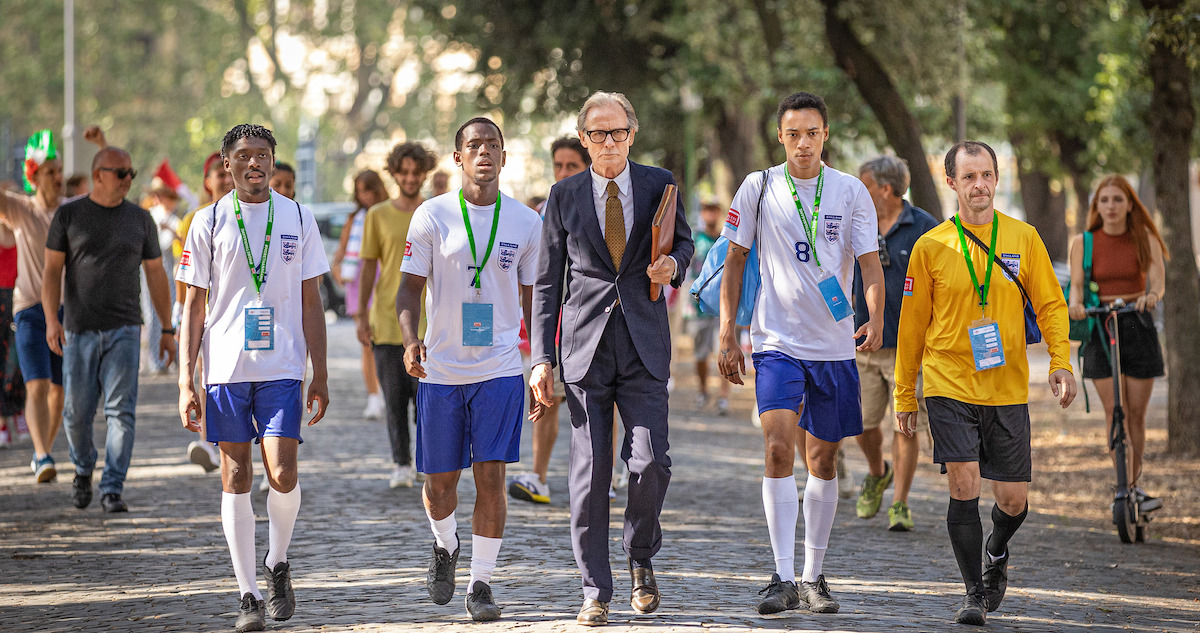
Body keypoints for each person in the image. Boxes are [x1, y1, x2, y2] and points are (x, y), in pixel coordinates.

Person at [895, 140, 1076, 625]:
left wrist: (1062, 361)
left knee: (1013, 500)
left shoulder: (1024, 238)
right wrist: (904, 392)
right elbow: (911, 327)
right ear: (951, 182)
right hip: (947, 381)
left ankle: (996, 551)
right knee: (964, 484)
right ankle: (973, 592)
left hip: (1007, 386)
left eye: (988, 175)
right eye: (969, 176)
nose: (980, 185)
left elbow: (1051, 305)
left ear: (997, 179)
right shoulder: (930, 246)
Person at [717, 92, 883, 616]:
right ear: (781, 137)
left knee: (823, 459)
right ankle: (782, 576)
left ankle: (814, 574)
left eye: (812, 133)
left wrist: (875, 315)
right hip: (776, 343)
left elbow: (871, 266)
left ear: (825, 135)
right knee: (776, 449)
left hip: (833, 347)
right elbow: (735, 262)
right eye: (793, 134)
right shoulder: (758, 186)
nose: (803, 143)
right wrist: (729, 332)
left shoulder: (851, 191)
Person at [531, 91, 693, 626]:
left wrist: (672, 263)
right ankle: (594, 589)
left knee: (649, 463)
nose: (608, 141)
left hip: (645, 343)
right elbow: (548, 283)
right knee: (592, 471)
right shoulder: (564, 195)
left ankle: (640, 558)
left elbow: (684, 245)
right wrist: (541, 359)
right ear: (583, 138)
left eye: (617, 132)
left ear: (632, 134)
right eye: (597, 133)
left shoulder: (659, 184)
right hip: (584, 349)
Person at [177, 124, 330, 632]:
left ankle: (277, 561)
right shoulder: (207, 221)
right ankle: (247, 594)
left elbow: (312, 299)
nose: (254, 164)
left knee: (282, 473)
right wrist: (186, 381)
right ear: (227, 165)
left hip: (283, 367)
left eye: (263, 155)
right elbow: (193, 307)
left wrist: (320, 373)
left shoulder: (298, 217)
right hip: (225, 369)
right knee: (237, 476)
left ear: (273, 161)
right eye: (243, 156)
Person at [396, 117, 541, 622]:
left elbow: (536, 301)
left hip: (500, 368)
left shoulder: (526, 222)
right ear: (458, 158)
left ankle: (480, 583)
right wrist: (412, 340)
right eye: (473, 145)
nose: (484, 152)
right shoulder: (432, 216)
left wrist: (540, 361)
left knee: (491, 478)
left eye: (492, 146)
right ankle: (445, 545)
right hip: (441, 370)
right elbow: (409, 288)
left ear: (504, 157)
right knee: (439, 485)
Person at [42, 146, 175, 513]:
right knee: (76, 413)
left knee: (121, 411)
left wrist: (167, 328)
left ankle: (112, 487)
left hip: (125, 330)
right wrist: (52, 320)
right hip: (79, 329)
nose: (128, 180)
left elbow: (155, 274)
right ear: (98, 174)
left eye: (131, 173)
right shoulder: (69, 216)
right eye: (121, 173)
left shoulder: (141, 219)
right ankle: (83, 468)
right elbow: (52, 271)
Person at [0, 127, 106, 483]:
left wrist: (103, 147)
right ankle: (43, 455)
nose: (59, 177)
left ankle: (41, 449)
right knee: (37, 384)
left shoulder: (72, 210)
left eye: (60, 171)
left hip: (68, 311)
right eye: (50, 171)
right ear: (33, 175)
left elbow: (109, 194)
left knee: (61, 391)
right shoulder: (19, 208)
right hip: (29, 308)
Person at [850, 155, 939, 531]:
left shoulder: (925, 228)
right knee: (861, 426)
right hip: (862, 345)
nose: (858, 191)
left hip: (909, 350)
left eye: (865, 185)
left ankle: (900, 503)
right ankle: (877, 471)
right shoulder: (855, 222)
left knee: (907, 426)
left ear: (885, 189)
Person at [1067, 175, 1166, 511]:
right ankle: (1124, 487)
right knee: (1114, 413)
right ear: (1097, 206)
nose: (1110, 206)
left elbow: (1158, 283)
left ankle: (1135, 486)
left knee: (1136, 415)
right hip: (1100, 325)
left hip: (1137, 324)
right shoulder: (1083, 241)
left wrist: (1151, 296)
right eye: (1104, 200)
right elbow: (1077, 286)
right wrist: (1076, 304)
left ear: (1129, 204)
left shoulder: (1146, 238)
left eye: (1117, 200)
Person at [508, 135, 591, 505]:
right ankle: (538, 476)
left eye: (571, 166)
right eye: (558, 165)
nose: (562, 172)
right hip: (552, 326)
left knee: (599, 404)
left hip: (592, 322)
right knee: (546, 398)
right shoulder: (543, 210)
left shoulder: (602, 205)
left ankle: (600, 479)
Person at [357, 142, 437, 489]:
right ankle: (401, 463)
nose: (409, 178)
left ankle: (425, 460)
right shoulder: (377, 215)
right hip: (388, 323)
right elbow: (368, 267)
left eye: (415, 172)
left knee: (427, 401)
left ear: (424, 173)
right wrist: (361, 314)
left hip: (430, 323)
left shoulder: (437, 212)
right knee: (394, 399)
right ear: (393, 174)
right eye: (403, 172)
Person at [179, 151, 236, 473]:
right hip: (205, 312)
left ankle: (222, 441)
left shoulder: (252, 214)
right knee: (205, 371)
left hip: (239, 318)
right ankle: (206, 439)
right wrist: (180, 312)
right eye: (220, 175)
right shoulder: (197, 218)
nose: (226, 180)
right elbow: (184, 275)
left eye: (229, 174)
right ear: (208, 181)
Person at [333, 170, 388, 421]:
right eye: (359, 190)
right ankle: (373, 397)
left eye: (368, 189)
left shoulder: (388, 213)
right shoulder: (353, 218)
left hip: (384, 281)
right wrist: (337, 268)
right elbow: (341, 250)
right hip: (359, 283)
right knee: (367, 342)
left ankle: (388, 392)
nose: (364, 195)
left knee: (387, 343)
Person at [689, 200, 732, 415]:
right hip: (699, 307)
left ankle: (723, 396)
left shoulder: (728, 238)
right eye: (707, 210)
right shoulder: (695, 239)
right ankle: (703, 390)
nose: (711, 214)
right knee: (700, 353)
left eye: (715, 209)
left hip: (725, 306)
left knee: (724, 350)